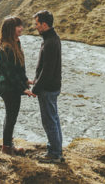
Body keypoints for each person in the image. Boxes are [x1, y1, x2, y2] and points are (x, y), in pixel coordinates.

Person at [0, 15, 35, 155]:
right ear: (11, 29)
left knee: (11, 116)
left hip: (11, 87)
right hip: (8, 88)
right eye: (18, 26)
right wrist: (23, 88)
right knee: (11, 116)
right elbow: (10, 73)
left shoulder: (14, 43)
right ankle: (7, 147)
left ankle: (8, 145)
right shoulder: (6, 48)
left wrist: (26, 80)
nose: (21, 28)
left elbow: (19, 68)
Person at [31, 9, 64, 163]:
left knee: (49, 120)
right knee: (54, 119)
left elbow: (47, 70)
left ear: (44, 24)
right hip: (52, 87)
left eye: (37, 24)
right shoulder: (52, 39)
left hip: (48, 89)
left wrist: (36, 88)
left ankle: (55, 154)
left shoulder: (50, 42)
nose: (35, 27)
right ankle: (55, 150)